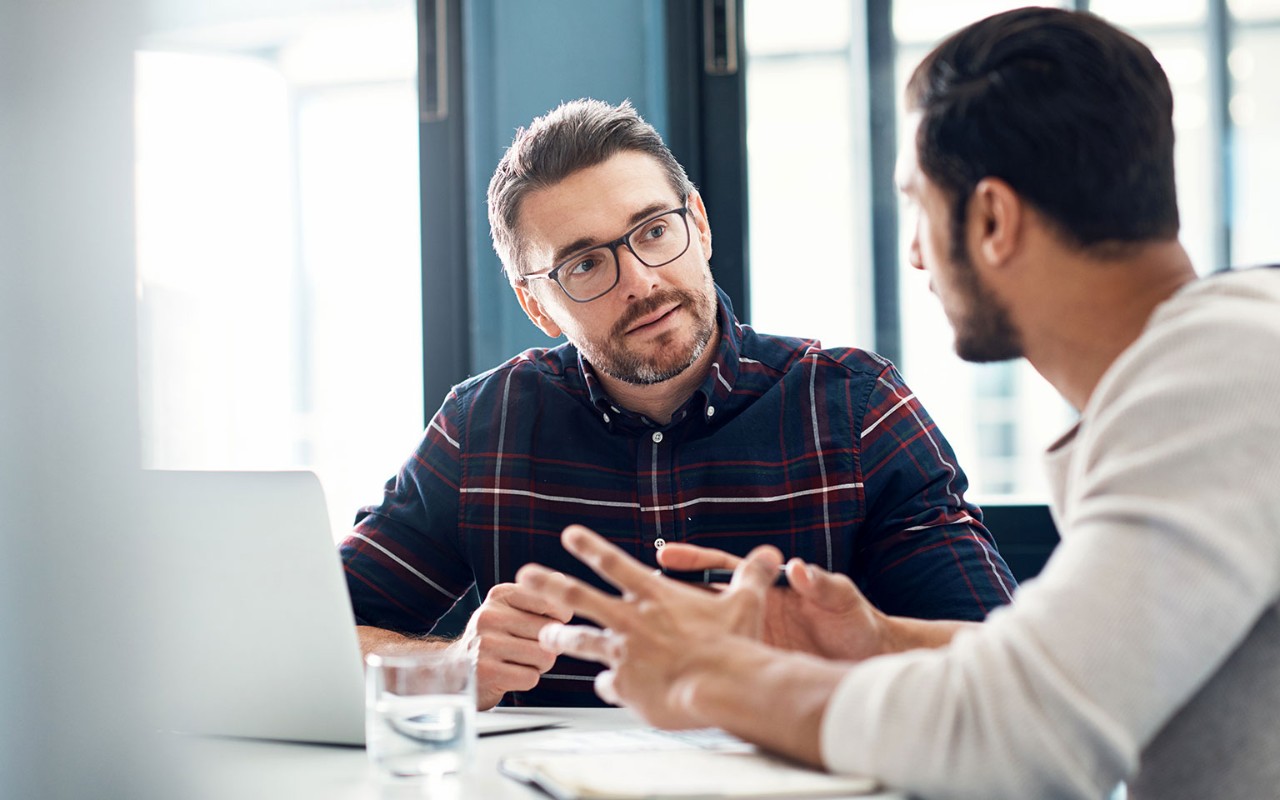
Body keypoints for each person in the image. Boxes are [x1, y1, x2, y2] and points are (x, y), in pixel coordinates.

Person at [515, 8, 1280, 799]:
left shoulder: (1220, 383)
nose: (914, 252)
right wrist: (876, 639)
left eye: (919, 205)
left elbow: (1018, 737)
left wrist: (718, 679)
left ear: (992, 221)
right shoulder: (1221, 369)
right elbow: (1075, 672)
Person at [341, 98, 1016, 709]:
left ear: (699, 224)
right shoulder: (480, 429)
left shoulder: (857, 408)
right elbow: (315, 637)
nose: (640, 280)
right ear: (535, 305)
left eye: (654, 231)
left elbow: (1002, 669)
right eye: (585, 264)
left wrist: (855, 645)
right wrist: (447, 667)